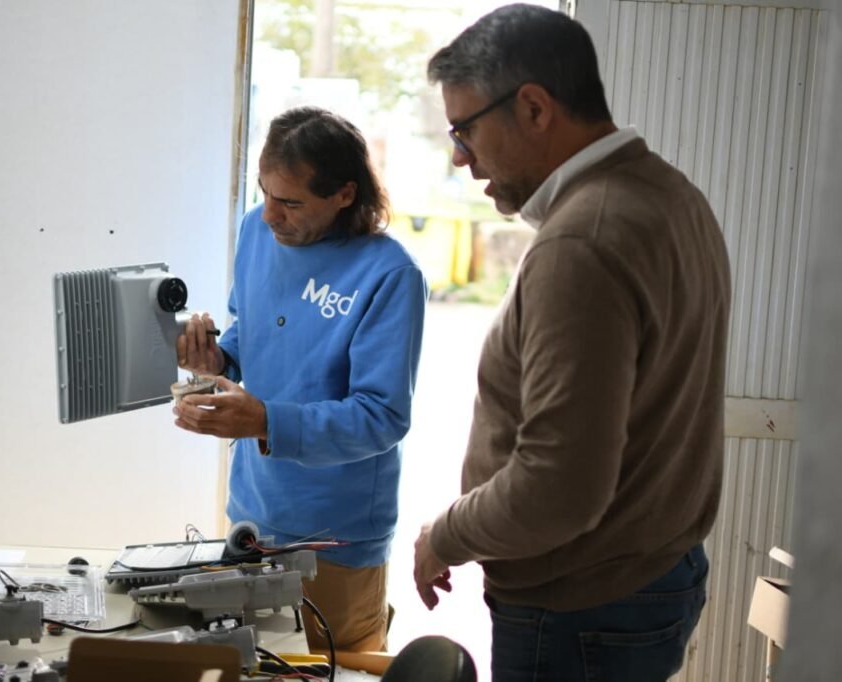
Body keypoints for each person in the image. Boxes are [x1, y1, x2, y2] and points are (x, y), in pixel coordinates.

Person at [413, 5, 731, 682]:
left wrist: (445, 535)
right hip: (649, 574)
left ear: (533, 108)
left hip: (581, 610)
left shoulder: (583, 241)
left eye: (465, 131)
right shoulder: (671, 195)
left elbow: (558, 487)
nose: (460, 158)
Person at [174, 106, 427, 654]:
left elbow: (382, 417)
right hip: (251, 514)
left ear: (344, 195)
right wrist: (218, 360)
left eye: (290, 202)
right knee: (251, 666)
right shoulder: (256, 231)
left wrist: (266, 420)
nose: (270, 215)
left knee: (331, 669)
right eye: (264, 192)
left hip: (335, 538)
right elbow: (250, 332)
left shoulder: (391, 274)